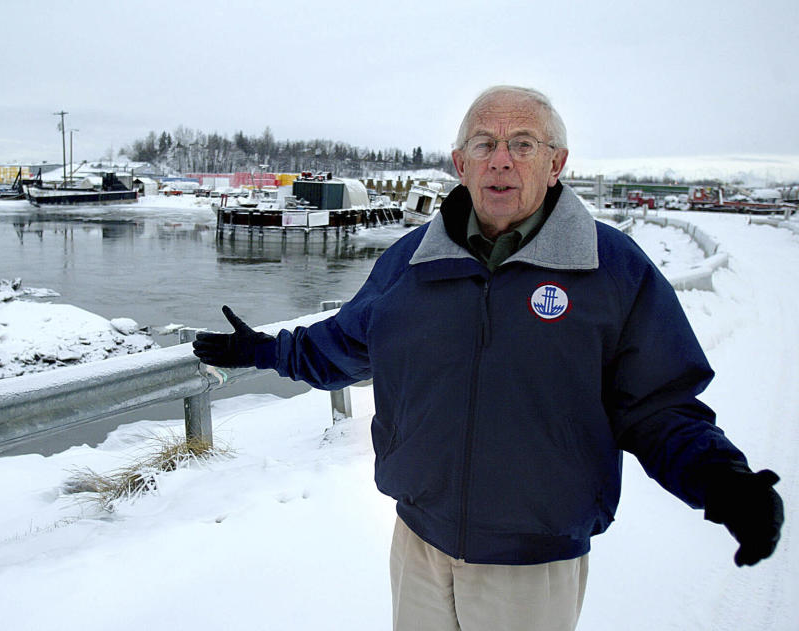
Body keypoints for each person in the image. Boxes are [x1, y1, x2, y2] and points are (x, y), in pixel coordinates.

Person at [192, 85, 784, 631]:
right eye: (485, 144)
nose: (501, 159)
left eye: (522, 144)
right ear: (461, 164)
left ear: (556, 164)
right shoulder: (412, 262)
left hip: (531, 564)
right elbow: (344, 345)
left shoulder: (613, 270)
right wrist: (265, 350)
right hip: (419, 542)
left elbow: (659, 409)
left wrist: (722, 482)